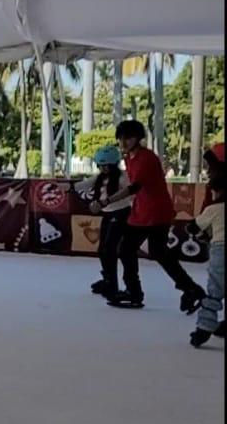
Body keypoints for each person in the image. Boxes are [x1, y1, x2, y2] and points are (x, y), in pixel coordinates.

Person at [92, 121, 204, 312]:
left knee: (128, 249)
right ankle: (190, 288)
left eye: (128, 137)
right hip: (145, 210)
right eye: (121, 138)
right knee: (157, 252)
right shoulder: (129, 158)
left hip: (152, 212)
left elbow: (134, 187)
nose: (123, 142)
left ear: (138, 138)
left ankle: (134, 293)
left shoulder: (146, 158)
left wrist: (105, 202)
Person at [75, 144, 131, 298]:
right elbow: (82, 185)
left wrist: (108, 201)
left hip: (121, 214)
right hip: (108, 214)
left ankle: (112, 284)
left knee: (110, 249)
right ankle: (108, 280)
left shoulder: (123, 177)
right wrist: (66, 186)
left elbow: (130, 192)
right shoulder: (100, 178)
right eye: (100, 165)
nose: (103, 169)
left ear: (114, 165)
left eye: (106, 166)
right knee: (103, 250)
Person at [190, 142, 226, 347]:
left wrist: (201, 231)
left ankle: (204, 326)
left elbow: (196, 225)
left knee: (215, 288)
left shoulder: (215, 205)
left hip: (220, 247)